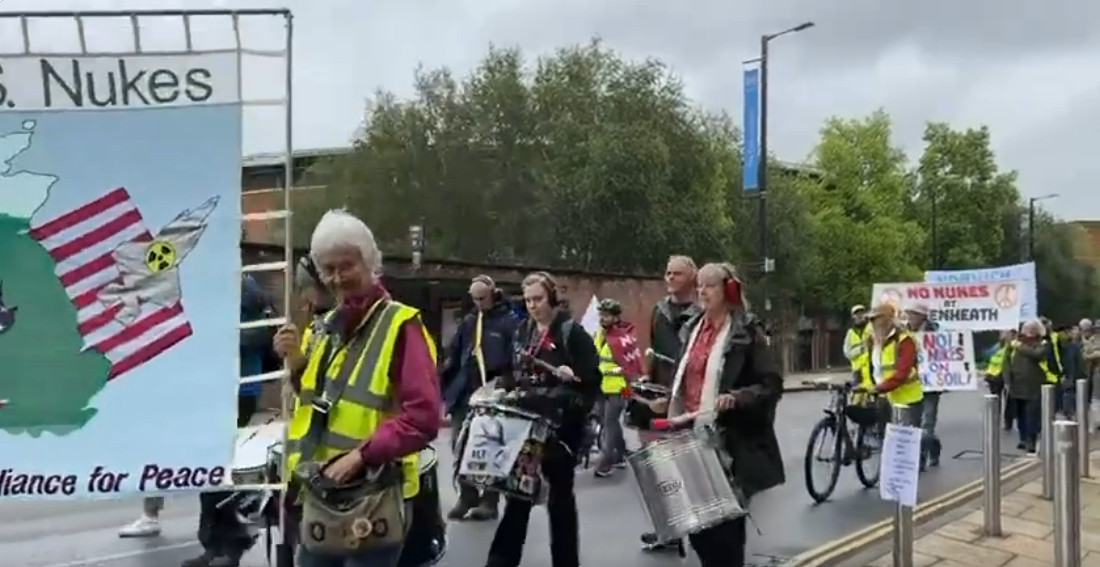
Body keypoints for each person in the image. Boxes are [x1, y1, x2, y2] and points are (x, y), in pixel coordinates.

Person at [273, 209, 442, 567]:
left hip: (373, 494)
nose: (336, 278)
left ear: (370, 263)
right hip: (321, 493)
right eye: (328, 269)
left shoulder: (402, 325)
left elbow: (423, 418)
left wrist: (360, 456)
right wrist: (297, 364)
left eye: (346, 266)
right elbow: (324, 400)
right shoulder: (330, 325)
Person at [646, 262, 784, 567]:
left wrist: (737, 397)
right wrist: (668, 399)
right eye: (700, 285)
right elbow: (687, 376)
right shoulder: (692, 327)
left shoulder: (746, 333)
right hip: (689, 436)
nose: (702, 291)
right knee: (697, 528)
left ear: (729, 291)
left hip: (730, 443)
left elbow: (771, 384)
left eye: (710, 285)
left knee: (726, 534)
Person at [483, 272, 601, 567]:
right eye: (528, 300)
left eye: (538, 299)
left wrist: (568, 392)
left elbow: (590, 380)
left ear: (551, 298)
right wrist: (502, 389)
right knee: (517, 495)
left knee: (560, 500)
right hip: (525, 425)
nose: (533, 305)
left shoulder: (571, 332)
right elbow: (513, 372)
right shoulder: (523, 330)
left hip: (560, 430)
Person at [178, 276, 277, 567]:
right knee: (212, 470)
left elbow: (263, 333)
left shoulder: (247, 287)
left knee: (222, 471)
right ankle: (216, 544)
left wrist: (220, 336)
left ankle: (229, 544)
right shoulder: (212, 281)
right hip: (213, 387)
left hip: (240, 387)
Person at [440, 275, 519, 521]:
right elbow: (454, 353)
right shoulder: (470, 321)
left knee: (490, 446)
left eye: (482, 298)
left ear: (494, 293)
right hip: (465, 392)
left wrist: (507, 384)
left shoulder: (509, 322)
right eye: (474, 298)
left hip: (493, 392)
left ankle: (490, 500)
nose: (478, 303)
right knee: (459, 443)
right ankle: (467, 495)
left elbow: (515, 358)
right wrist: (446, 385)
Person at [641, 254, 699, 551]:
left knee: (692, 464)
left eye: (677, 273)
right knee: (662, 465)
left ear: (693, 276)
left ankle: (701, 523)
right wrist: (650, 388)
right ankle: (668, 528)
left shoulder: (703, 310)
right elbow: (653, 350)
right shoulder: (659, 310)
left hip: (694, 396)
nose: (670, 278)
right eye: (667, 273)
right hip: (664, 394)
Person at [591, 298, 644, 477]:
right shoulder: (601, 333)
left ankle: (607, 462)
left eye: (606, 315)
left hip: (620, 388)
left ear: (616, 317)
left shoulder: (622, 338)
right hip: (602, 386)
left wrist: (628, 385)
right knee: (610, 422)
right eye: (601, 314)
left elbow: (630, 365)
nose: (603, 318)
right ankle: (620, 455)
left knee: (609, 424)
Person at [859, 303, 926, 443]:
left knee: (910, 441)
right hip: (884, 397)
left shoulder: (904, 340)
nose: (874, 323)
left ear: (889, 319)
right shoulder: (872, 340)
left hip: (907, 398)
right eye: (872, 320)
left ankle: (928, 448)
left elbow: (903, 372)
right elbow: (869, 367)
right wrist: (866, 386)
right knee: (889, 441)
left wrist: (880, 387)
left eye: (877, 319)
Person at [1004, 320, 1050, 454]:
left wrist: (1018, 346)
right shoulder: (1014, 344)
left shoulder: (1042, 344)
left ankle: (1031, 440)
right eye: (1027, 330)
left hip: (1034, 385)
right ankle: (1023, 438)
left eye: (1032, 330)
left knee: (1032, 415)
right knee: (1020, 414)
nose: (1029, 333)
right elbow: (1006, 363)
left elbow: (1037, 354)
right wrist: (1007, 380)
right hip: (1017, 385)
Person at [904, 303, 941, 469]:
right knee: (914, 424)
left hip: (931, 386)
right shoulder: (903, 333)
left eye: (913, 314)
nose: (910, 318)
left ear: (922, 316)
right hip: (911, 385)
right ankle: (931, 448)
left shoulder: (936, 333)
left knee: (928, 424)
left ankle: (921, 457)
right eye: (909, 314)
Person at [844, 305, 870, 380]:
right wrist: (861, 349)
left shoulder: (871, 329)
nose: (860, 316)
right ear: (853, 317)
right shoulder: (850, 333)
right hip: (858, 372)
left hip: (872, 369)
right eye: (857, 314)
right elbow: (848, 353)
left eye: (862, 313)